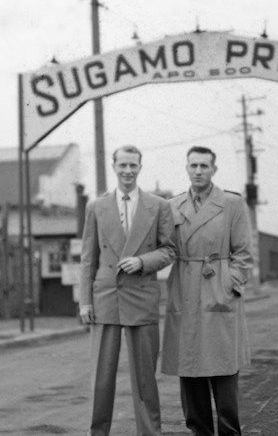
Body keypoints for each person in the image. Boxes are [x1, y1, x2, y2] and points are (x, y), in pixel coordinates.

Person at [78, 144, 176, 436]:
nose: (128, 171)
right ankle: (97, 433)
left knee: (145, 378)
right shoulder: (96, 207)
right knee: (101, 378)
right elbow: (88, 258)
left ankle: (150, 432)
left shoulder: (159, 206)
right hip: (105, 297)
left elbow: (170, 250)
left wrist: (142, 261)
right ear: (114, 167)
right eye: (123, 165)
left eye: (133, 165)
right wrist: (85, 302)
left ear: (140, 167)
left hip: (141, 295)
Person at [162, 146, 254, 436]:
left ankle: (229, 431)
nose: (198, 171)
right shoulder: (172, 205)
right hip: (185, 289)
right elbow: (163, 247)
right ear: (186, 168)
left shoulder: (232, 203)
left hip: (217, 285)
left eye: (204, 166)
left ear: (214, 169)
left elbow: (244, 254)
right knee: (189, 368)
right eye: (194, 166)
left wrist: (229, 284)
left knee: (224, 368)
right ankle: (199, 431)